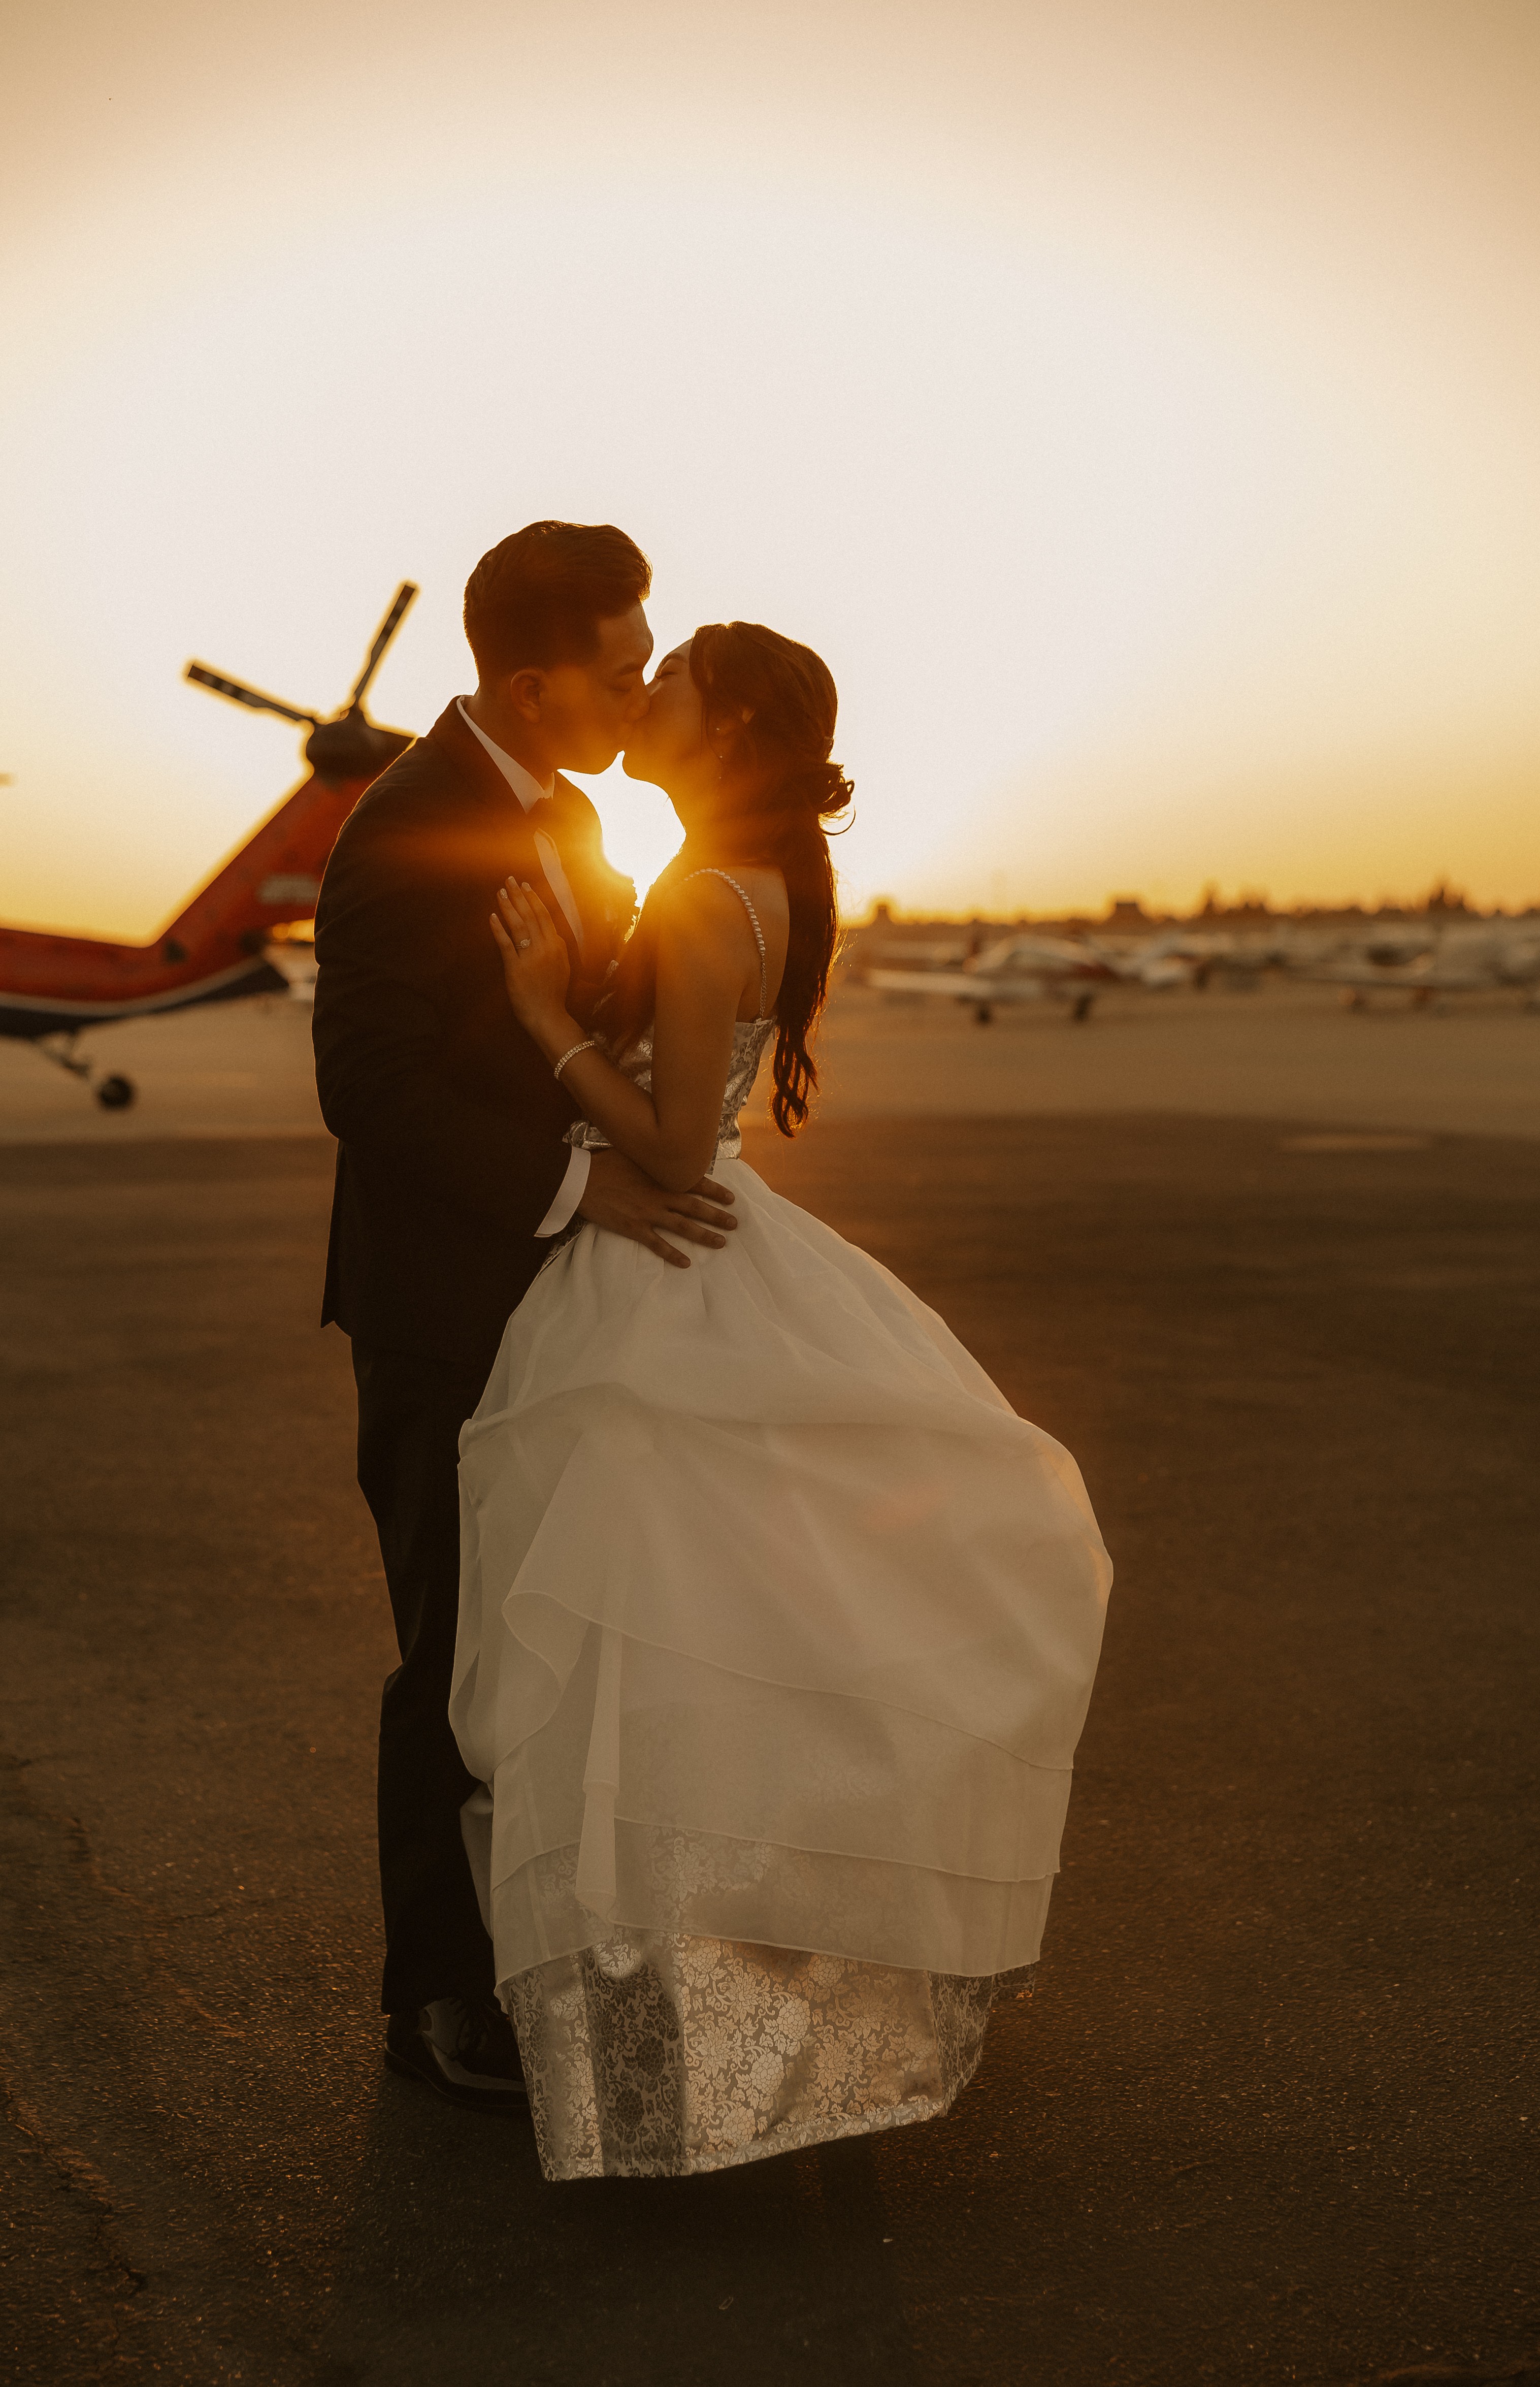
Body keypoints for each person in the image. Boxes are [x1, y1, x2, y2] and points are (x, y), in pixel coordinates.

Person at [450, 620, 1112, 2177]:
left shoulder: (696, 896)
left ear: (729, 722)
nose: (650, 690)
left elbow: (677, 1148)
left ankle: (656, 2053)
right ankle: (703, 2037)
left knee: (651, 1668)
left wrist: (547, 1013)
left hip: (663, 1277)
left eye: (669, 676)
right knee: (721, 1663)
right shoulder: (767, 880)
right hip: (718, 1269)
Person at [313, 522, 741, 2115]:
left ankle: (537, 1955)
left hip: (562, 1308)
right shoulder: (409, 825)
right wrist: (580, 1186)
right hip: (441, 1310)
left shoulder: (573, 814)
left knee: (554, 1645)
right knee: (453, 1649)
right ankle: (429, 1996)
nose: (636, 688)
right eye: (623, 664)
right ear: (529, 672)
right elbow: (366, 1087)